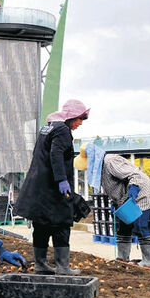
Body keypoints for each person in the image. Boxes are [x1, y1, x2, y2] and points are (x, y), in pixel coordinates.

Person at [14, 99, 89, 275]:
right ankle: (63, 267)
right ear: (71, 117)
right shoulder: (63, 130)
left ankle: (40, 264)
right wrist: (62, 180)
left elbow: (40, 154)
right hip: (53, 188)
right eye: (79, 119)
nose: (79, 123)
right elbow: (56, 154)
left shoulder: (47, 128)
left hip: (39, 187)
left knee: (41, 224)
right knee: (61, 223)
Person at [74, 143, 150, 266]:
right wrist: (114, 202)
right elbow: (113, 186)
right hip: (124, 200)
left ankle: (149, 261)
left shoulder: (110, 162)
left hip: (140, 194)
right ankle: (122, 258)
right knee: (124, 227)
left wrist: (134, 189)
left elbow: (134, 174)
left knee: (140, 226)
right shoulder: (101, 168)